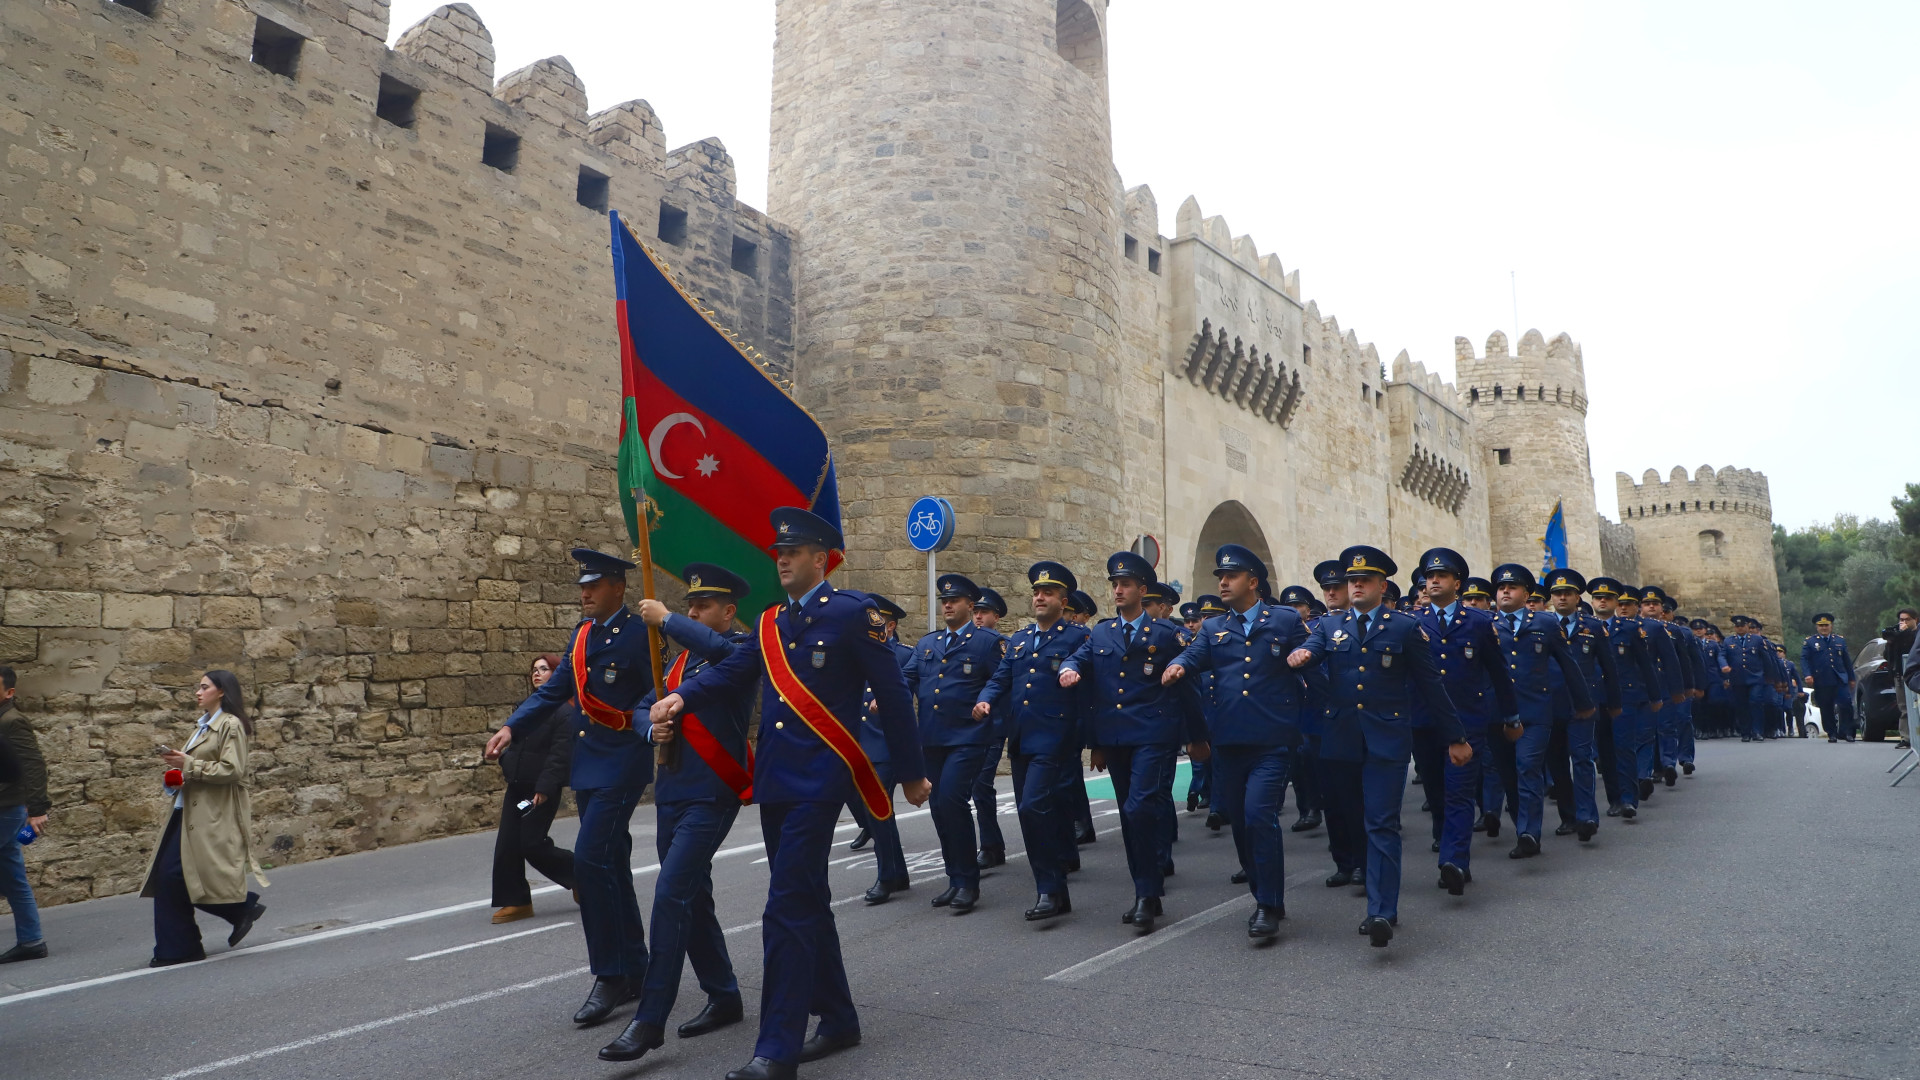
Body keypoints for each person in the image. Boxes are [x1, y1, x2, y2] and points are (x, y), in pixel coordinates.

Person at [650, 506, 929, 1080]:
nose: (781, 560)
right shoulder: (771, 622)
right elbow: (733, 670)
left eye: (793, 552)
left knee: (785, 908)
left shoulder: (853, 614)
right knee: (807, 901)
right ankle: (839, 1018)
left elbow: (893, 694)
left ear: (820, 560)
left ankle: (776, 1048)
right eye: (778, 552)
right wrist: (682, 696)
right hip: (777, 781)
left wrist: (910, 771)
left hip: (821, 780)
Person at [486, 548, 655, 1027]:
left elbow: (657, 690)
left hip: (622, 763)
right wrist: (511, 727)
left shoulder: (641, 634)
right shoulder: (582, 635)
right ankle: (636, 968)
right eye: (583, 586)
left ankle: (610, 973)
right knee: (612, 864)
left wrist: (648, 725)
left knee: (593, 861)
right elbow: (552, 692)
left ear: (618, 588)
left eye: (594, 585)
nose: (585, 593)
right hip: (588, 767)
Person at [598, 563, 759, 1063]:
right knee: (693, 896)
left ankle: (649, 1021)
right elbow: (641, 706)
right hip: (672, 794)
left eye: (703, 607)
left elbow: (721, 655)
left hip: (712, 793)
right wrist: (652, 728)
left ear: (729, 612)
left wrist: (665, 619)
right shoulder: (677, 666)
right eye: (688, 607)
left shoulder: (739, 650)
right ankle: (724, 994)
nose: (692, 613)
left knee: (670, 894)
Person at [1287, 546, 1470, 947]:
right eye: (1351, 580)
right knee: (1355, 819)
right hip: (1341, 740)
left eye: (1364, 580)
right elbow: (1313, 650)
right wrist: (1301, 654)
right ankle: (1375, 894)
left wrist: (1455, 737)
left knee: (1381, 822)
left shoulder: (1404, 627)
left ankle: (1382, 910)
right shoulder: (1329, 626)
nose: (1355, 586)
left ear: (1381, 585)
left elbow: (1431, 685)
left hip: (1387, 740)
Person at [1059, 550, 1210, 933]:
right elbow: (1081, 662)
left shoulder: (1166, 634)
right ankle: (1147, 888)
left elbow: (1188, 687)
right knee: (1130, 812)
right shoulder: (1102, 633)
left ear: (1142, 590)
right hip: (1115, 736)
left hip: (1154, 734)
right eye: (1114, 584)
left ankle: (1146, 893)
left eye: (1125, 584)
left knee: (1141, 805)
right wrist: (1069, 669)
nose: (1118, 590)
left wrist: (1196, 737)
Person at [1165, 544, 1308, 940]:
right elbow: (1194, 655)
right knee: (1242, 823)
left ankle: (1268, 905)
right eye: (1220, 577)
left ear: (1253, 582)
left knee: (1260, 815)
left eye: (1231, 576)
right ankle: (1264, 893)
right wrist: (1177, 665)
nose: (1223, 583)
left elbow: (1311, 655)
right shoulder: (1214, 628)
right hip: (1228, 741)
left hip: (1272, 739)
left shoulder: (1283, 619)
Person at [975, 561, 1089, 921]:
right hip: (1022, 736)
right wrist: (985, 699)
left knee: (1032, 807)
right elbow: (1001, 677)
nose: (1040, 597)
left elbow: (1089, 683)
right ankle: (1054, 889)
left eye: (1048, 593)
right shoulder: (1020, 639)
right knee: (1035, 811)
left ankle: (1050, 889)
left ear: (1063, 601)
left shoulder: (1077, 638)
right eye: (1037, 592)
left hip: (1055, 737)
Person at [142, 670, 269, 967]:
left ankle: (183, 946)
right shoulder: (202, 727)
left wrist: (188, 763)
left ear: (221, 691)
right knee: (170, 877)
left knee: (173, 876)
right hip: (185, 810)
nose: (198, 693)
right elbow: (197, 767)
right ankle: (232, 914)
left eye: (204, 687)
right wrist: (176, 774)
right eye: (198, 687)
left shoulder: (230, 725)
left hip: (210, 813)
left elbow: (232, 770)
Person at [1412, 550, 1515, 892]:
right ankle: (1446, 842)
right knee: (1436, 792)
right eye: (1430, 576)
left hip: (1467, 720)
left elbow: (1499, 673)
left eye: (1441, 576)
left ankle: (1454, 861)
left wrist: (1511, 716)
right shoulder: (1412, 623)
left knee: (1459, 792)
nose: (1434, 581)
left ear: (1457, 583)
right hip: (1424, 722)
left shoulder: (1479, 622)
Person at [905, 573, 1005, 914]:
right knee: (937, 805)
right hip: (932, 737)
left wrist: (986, 703)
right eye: (944, 601)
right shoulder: (928, 643)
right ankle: (955, 878)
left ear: (970, 605)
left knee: (951, 799)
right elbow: (907, 677)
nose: (947, 605)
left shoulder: (987, 643)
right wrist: (882, 696)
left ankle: (968, 883)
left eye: (954, 601)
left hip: (968, 737)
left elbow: (1001, 680)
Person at [1489, 565, 1594, 857]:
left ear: (1526, 594)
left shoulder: (1545, 623)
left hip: (1534, 711)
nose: (1505, 592)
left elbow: (1569, 664)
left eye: (1512, 587)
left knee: (1528, 767)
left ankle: (1529, 833)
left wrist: (1583, 703)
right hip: (1496, 713)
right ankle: (1520, 823)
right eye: (1501, 588)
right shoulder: (1486, 624)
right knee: (1508, 775)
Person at [489, 654, 577, 924]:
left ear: (557, 675)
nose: (537, 674)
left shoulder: (564, 712)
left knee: (531, 843)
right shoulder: (525, 709)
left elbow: (560, 755)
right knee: (507, 845)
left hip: (540, 791)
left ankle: (583, 876)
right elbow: (514, 745)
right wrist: (505, 760)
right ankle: (516, 901)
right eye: (534, 670)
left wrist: (545, 787)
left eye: (544, 669)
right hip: (517, 787)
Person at [1542, 570, 1619, 841]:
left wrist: (1614, 702)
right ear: (1551, 598)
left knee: (1582, 758)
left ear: (1577, 598)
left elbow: (1609, 668)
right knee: (1557, 762)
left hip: (1583, 704)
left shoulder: (1593, 627)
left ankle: (1587, 816)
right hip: (1551, 704)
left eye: (1568, 593)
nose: (1562, 598)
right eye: (1557, 594)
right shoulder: (1540, 624)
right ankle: (1569, 816)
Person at [851, 595, 914, 904]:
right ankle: (897, 872)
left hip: (887, 745)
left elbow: (907, 692)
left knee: (878, 809)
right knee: (878, 812)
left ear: (890, 626)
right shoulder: (858, 652)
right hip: (860, 744)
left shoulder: (904, 656)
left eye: (877, 623)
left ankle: (887, 875)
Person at [0, 667, 50, 964]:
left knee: (13, 876)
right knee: (13, 877)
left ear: (9, 693)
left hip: (6, 808)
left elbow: (33, 765)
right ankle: (32, 941)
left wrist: (38, 809)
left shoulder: (12, 721)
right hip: (8, 808)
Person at [968, 586, 1011, 870]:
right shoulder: (967, 642)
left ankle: (991, 846)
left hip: (991, 725)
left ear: (996, 617)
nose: (978, 617)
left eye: (984, 612)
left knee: (981, 784)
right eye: (976, 611)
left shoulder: (999, 645)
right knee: (973, 787)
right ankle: (990, 845)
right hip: (969, 727)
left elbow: (1003, 684)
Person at [1801, 614, 1858, 742]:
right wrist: (1808, 675)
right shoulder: (1810, 642)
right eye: (1821, 626)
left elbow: (1846, 660)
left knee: (1846, 704)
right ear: (1817, 627)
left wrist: (1851, 678)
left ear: (1831, 626)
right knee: (1826, 707)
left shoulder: (1839, 640)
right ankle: (1831, 733)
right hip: (1822, 680)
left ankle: (1847, 732)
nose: (1824, 628)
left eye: (1826, 625)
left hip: (1839, 678)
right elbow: (1804, 660)